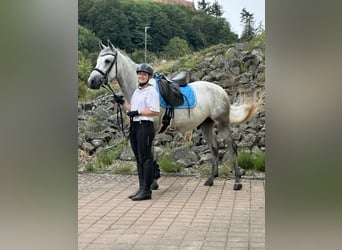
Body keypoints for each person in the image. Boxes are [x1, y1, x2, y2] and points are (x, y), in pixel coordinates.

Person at [113, 63, 160, 201]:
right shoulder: (137, 91)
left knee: (146, 158)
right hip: (135, 126)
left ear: (149, 77)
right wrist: (122, 102)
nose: (141, 76)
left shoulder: (151, 91)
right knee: (139, 158)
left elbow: (155, 111)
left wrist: (138, 112)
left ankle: (146, 190)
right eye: (139, 74)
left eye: (144, 74)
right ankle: (141, 187)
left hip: (145, 126)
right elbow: (133, 108)